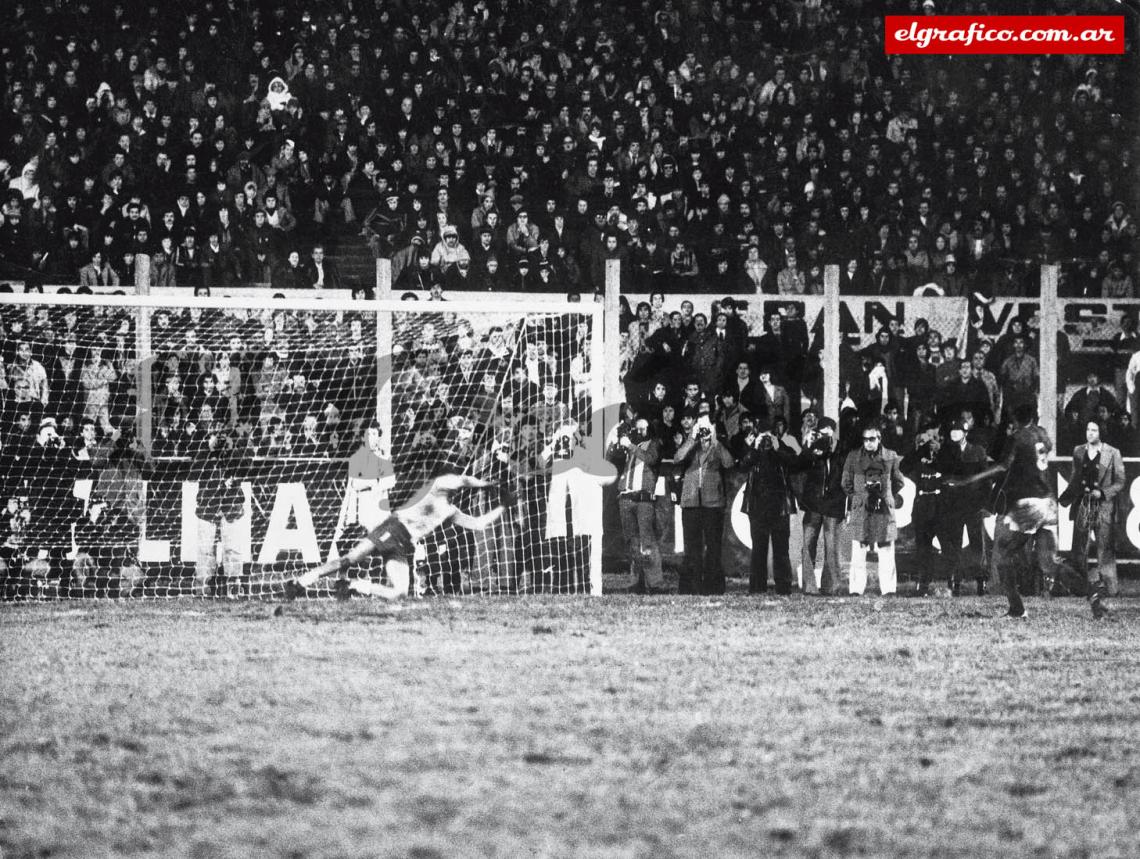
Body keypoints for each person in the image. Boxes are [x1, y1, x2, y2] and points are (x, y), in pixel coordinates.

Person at [950, 405, 1100, 618]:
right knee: (1049, 562)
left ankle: (1016, 608)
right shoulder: (1042, 434)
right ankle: (1092, 592)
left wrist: (968, 479)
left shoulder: (1019, 437)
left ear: (1015, 419)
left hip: (1028, 504)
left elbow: (1004, 467)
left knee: (1001, 555)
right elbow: (1037, 455)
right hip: (1048, 502)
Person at [286, 474, 509, 600]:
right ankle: (300, 582)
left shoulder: (450, 510)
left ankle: (353, 585)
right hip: (393, 528)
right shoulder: (438, 486)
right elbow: (463, 480)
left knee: (400, 593)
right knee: (350, 559)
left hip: (403, 544)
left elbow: (478, 524)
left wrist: (503, 505)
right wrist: (488, 484)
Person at [1058, 420, 1125, 600]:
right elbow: (1074, 478)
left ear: (1101, 432)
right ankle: (1079, 588)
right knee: (1079, 547)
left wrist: (1102, 493)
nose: (1090, 433)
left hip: (1103, 507)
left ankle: (1110, 588)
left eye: (1094, 430)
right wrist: (1064, 498)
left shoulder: (1113, 453)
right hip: (1083, 503)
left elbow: (1120, 482)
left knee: (1105, 547)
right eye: (1088, 429)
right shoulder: (1078, 451)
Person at [673, 410, 736, 595]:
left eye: (705, 429)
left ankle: (713, 587)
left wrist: (714, 440)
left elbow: (729, 463)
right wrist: (692, 439)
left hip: (713, 504)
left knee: (713, 546)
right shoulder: (690, 444)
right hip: (691, 502)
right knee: (692, 546)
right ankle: (691, 587)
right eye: (700, 429)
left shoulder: (716, 447)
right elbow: (678, 457)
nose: (703, 433)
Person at [841, 423, 905, 597]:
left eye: (872, 439)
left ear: (879, 439)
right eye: (865, 439)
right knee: (859, 548)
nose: (868, 443)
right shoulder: (853, 456)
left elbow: (899, 481)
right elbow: (845, 482)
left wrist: (886, 495)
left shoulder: (891, 456)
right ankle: (855, 589)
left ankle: (889, 589)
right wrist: (859, 497)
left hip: (883, 508)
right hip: (862, 508)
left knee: (885, 548)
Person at [609, 416, 666, 594]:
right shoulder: (630, 446)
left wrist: (630, 446)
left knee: (647, 542)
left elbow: (651, 459)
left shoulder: (653, 444)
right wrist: (616, 442)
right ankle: (637, 581)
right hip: (626, 497)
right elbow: (614, 458)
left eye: (643, 429)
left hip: (643, 499)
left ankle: (655, 583)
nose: (639, 432)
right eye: (637, 429)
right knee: (632, 542)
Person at [738, 424, 798, 595]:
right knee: (758, 548)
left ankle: (784, 586)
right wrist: (754, 448)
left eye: (769, 437)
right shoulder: (753, 451)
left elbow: (793, 462)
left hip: (779, 506)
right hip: (757, 506)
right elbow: (742, 465)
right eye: (763, 437)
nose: (766, 441)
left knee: (781, 548)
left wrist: (777, 447)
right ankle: (757, 587)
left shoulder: (782, 448)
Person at [193, 426, 249, 597]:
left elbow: (245, 467)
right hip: (208, 505)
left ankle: (233, 586)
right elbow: (195, 469)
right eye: (217, 436)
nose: (221, 441)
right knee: (204, 549)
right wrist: (209, 450)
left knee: (232, 548)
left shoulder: (235, 452)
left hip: (231, 505)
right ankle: (202, 587)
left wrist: (232, 449)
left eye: (224, 436)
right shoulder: (203, 452)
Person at [794, 417, 846, 595]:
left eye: (828, 432)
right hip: (813, 503)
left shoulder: (841, 449)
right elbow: (798, 465)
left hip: (833, 504)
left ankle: (831, 586)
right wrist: (809, 448)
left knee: (831, 547)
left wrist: (831, 449)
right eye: (821, 432)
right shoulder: (813, 448)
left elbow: (845, 474)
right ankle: (809, 586)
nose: (824, 436)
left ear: (834, 432)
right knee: (808, 544)